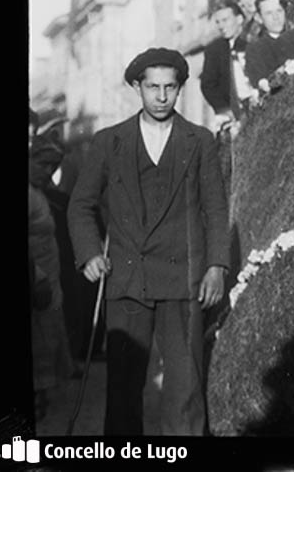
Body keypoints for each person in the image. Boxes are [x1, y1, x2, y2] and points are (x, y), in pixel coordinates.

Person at [67, 48, 230, 436]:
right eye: (152, 87)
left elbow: (216, 209)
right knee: (123, 389)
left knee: (185, 388)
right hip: (127, 282)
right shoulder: (110, 142)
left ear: (180, 90)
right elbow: (81, 205)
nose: (161, 96)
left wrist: (216, 266)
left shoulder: (200, 140)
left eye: (170, 88)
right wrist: (90, 252)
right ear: (137, 88)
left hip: (183, 282)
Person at [28, 108, 74, 421]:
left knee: (46, 339)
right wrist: (37, 276)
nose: (48, 171)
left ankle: (41, 399)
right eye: (43, 165)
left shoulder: (40, 193)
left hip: (48, 279)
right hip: (35, 280)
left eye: (52, 167)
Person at [199, 0, 250, 124]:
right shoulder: (214, 50)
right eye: (218, 22)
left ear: (239, 19)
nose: (221, 26)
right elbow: (208, 85)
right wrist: (223, 109)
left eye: (225, 20)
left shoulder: (253, 43)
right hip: (230, 114)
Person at [244, 0, 290, 88]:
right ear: (259, 18)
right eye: (269, 13)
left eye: (279, 11)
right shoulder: (255, 50)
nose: (276, 17)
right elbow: (260, 82)